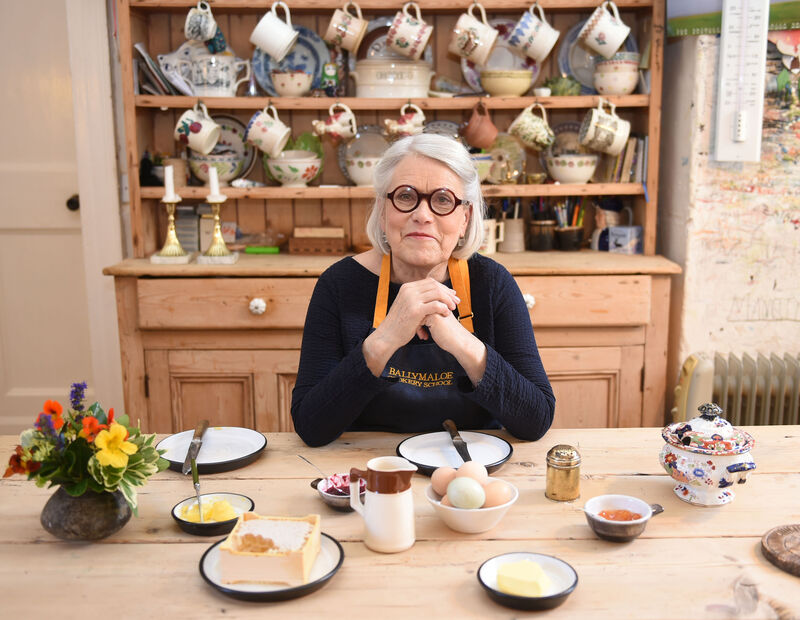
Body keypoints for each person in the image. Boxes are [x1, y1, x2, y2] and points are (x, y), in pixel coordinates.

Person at [291, 133, 555, 447]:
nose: (422, 214)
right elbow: (310, 425)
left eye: (443, 200)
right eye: (405, 196)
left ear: (465, 218)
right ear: (384, 209)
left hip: (469, 471)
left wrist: (462, 342)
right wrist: (386, 336)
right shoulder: (338, 284)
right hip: (372, 470)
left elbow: (536, 419)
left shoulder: (493, 283)